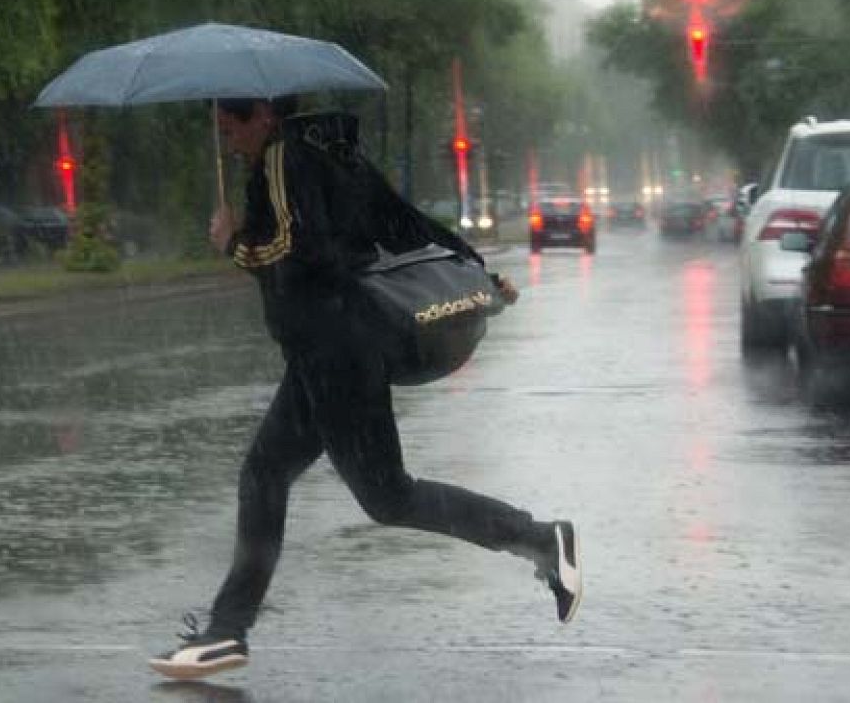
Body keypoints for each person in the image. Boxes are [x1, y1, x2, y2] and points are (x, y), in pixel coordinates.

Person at [149, 98, 581, 681]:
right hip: (328, 349)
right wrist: (475, 267)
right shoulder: (334, 152)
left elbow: (300, 252)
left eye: (233, 128)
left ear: (265, 117)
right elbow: (402, 221)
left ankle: (540, 539)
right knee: (265, 473)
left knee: (387, 497)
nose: (230, 143)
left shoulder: (283, 159)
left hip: (335, 349)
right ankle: (227, 631)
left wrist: (232, 242)